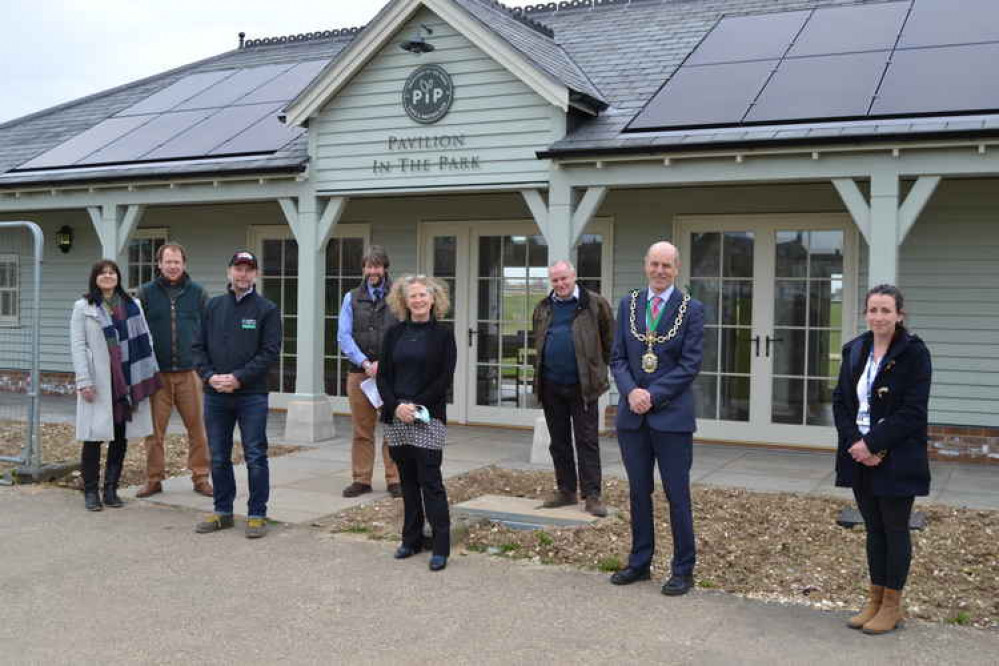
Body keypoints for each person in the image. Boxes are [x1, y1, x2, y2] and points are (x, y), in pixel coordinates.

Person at [833, 284, 931, 635]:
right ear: (866, 314)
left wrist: (875, 444)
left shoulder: (915, 354)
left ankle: (893, 605)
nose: (878, 317)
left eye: (886, 310)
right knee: (873, 530)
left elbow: (912, 412)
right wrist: (856, 444)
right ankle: (874, 600)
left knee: (894, 529)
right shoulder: (855, 349)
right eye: (873, 310)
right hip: (858, 455)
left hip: (897, 457)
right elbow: (841, 402)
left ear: (900, 315)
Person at [609, 241, 704, 596]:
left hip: (672, 419)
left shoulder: (691, 309)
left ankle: (683, 569)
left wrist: (653, 394)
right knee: (638, 492)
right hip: (633, 417)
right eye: (654, 264)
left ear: (677, 268)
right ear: (645, 265)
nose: (660, 271)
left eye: (667, 265)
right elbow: (617, 357)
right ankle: (639, 562)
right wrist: (631, 391)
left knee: (676, 495)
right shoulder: (628, 304)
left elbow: (690, 364)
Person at [193, 251, 281, 539]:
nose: (243, 274)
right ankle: (223, 512)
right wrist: (209, 376)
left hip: (251, 395)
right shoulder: (213, 306)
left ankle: (257, 514)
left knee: (255, 455)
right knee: (218, 456)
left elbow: (269, 353)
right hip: (215, 394)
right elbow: (197, 348)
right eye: (238, 269)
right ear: (229, 272)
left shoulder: (266, 309)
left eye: (248, 270)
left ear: (255, 274)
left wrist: (238, 378)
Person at [377, 275, 457, 572]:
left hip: (428, 417)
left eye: (424, 295)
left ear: (433, 298)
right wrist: (396, 406)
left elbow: (444, 378)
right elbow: (383, 375)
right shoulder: (394, 333)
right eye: (413, 296)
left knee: (430, 481)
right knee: (407, 481)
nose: (419, 300)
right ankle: (410, 539)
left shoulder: (444, 335)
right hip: (396, 416)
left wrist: (415, 406)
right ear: (404, 300)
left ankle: (440, 546)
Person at [70, 260, 161, 511]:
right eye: (103, 273)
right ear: (95, 278)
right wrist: (83, 380)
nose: (108, 276)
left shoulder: (133, 305)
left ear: (118, 277)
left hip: (127, 379)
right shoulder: (83, 307)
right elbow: (78, 346)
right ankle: (91, 491)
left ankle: (111, 489)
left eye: (112, 272)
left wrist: (145, 372)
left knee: (119, 436)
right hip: (98, 380)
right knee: (93, 437)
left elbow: (146, 338)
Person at [531, 259, 614, 517]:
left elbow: (609, 341)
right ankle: (566, 490)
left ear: (574, 276)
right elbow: (540, 341)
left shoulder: (595, 304)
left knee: (587, 441)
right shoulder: (543, 307)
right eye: (555, 280)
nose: (560, 284)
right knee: (559, 441)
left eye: (564, 278)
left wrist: (596, 370)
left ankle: (592, 495)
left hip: (583, 386)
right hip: (551, 384)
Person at [135, 242, 213, 498]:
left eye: (176, 262)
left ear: (184, 264)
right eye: (167, 262)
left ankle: (201, 477)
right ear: (159, 264)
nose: (172, 266)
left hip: (190, 373)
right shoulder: (146, 293)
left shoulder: (198, 293)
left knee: (197, 429)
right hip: (157, 374)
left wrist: (206, 367)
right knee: (154, 432)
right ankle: (154, 479)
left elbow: (209, 331)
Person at [337, 245, 401, 498]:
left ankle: (395, 478)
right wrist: (365, 363)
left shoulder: (399, 296)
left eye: (377, 266)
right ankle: (361, 479)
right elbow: (344, 336)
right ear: (363, 269)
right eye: (368, 266)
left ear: (385, 268)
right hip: (359, 373)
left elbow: (404, 332)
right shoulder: (351, 297)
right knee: (362, 430)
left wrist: (384, 363)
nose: (372, 271)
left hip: (392, 374)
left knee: (393, 428)